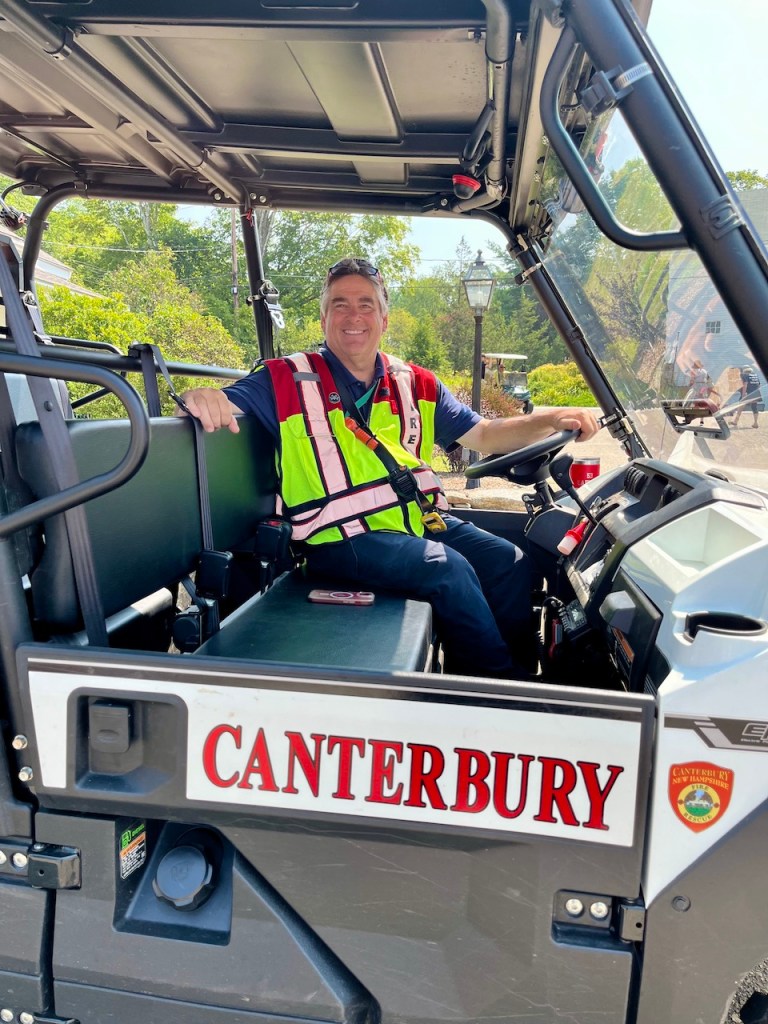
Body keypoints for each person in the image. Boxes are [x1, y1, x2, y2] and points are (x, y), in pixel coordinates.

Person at [177, 257, 599, 678]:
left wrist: (549, 418)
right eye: (339, 304)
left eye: (365, 304)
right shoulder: (283, 380)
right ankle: (491, 697)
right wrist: (203, 396)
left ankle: (523, 681)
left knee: (507, 561)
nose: (353, 315)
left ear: (384, 318)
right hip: (335, 539)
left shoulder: (414, 382)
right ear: (323, 318)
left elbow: (485, 435)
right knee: (447, 570)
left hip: (411, 521)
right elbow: (224, 401)